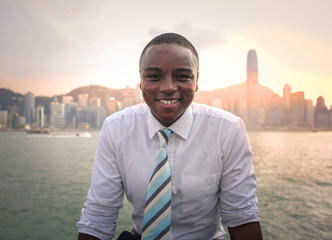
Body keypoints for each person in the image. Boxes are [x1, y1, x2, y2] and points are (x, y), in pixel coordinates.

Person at [77, 33, 262, 240]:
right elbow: (99, 216)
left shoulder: (227, 129)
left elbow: (242, 217)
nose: (168, 88)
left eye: (182, 76)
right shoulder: (116, 128)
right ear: (140, 81)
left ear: (197, 81)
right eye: (154, 77)